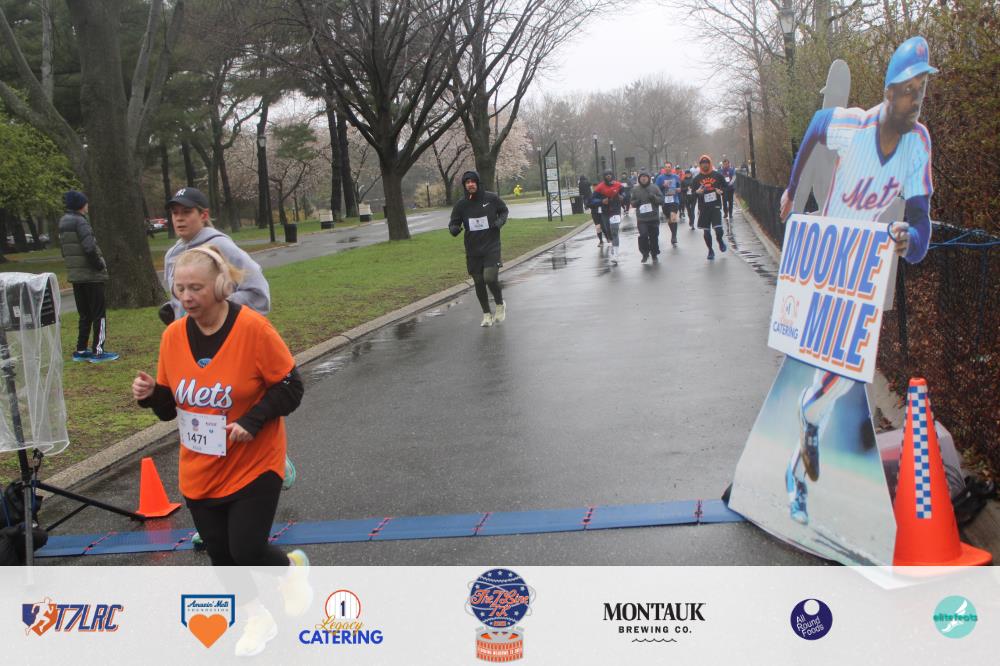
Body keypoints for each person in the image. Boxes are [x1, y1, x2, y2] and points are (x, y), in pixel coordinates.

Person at [779, 36, 937, 525]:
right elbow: (815, 125)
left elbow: (920, 220)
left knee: (841, 379)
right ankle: (800, 460)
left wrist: (913, 239)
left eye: (921, 90)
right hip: (827, 258)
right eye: (907, 90)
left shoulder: (918, 143)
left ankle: (801, 449)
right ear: (888, 92)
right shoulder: (854, 125)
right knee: (829, 370)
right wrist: (791, 190)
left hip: (861, 269)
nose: (915, 99)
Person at [132, 246, 311, 656]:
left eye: (196, 288)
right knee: (221, 554)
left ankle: (290, 571)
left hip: (254, 461)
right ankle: (256, 618)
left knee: (246, 549)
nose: (187, 297)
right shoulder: (173, 336)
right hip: (200, 467)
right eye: (180, 289)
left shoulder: (253, 329)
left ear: (220, 287)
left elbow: (290, 386)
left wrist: (252, 420)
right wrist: (150, 394)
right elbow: (169, 407)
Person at [161, 187, 295, 491]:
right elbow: (181, 299)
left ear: (203, 215)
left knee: (230, 406)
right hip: (189, 346)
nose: (179, 219)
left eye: (187, 212)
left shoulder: (221, 246)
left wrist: (219, 309)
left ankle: (272, 462)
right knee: (204, 414)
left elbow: (259, 295)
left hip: (228, 342)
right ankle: (215, 488)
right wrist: (174, 310)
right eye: (175, 213)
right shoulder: (172, 255)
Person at [58, 190, 118, 363]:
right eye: (85, 203)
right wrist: (99, 265)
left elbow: (64, 251)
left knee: (84, 314)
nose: (87, 206)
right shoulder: (81, 222)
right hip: (91, 275)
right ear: (80, 205)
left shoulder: (63, 222)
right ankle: (98, 351)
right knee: (99, 313)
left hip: (76, 276)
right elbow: (89, 248)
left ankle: (81, 349)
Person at [449, 171, 509, 327]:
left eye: (472, 181)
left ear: (477, 183)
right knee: (478, 282)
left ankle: (500, 304)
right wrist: (454, 229)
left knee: (490, 278)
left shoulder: (491, 198)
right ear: (464, 185)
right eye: (467, 182)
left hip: (491, 245)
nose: (470, 184)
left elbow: (504, 210)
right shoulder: (461, 204)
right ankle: (486, 314)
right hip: (473, 249)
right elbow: (453, 222)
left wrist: (500, 222)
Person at [690, 155, 727, 260]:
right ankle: (710, 250)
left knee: (718, 230)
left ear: (710, 163)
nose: (705, 165)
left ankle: (720, 241)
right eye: (703, 163)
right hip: (703, 208)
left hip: (715, 206)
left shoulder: (717, 175)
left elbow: (725, 187)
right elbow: (692, 194)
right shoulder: (696, 179)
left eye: (707, 163)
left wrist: (721, 191)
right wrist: (697, 192)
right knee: (706, 232)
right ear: (700, 165)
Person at [629, 170, 664, 263]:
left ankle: (654, 253)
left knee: (654, 236)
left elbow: (661, 200)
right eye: (642, 177)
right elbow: (632, 202)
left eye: (645, 177)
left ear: (648, 178)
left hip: (653, 217)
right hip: (642, 219)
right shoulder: (635, 189)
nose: (643, 179)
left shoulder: (654, 187)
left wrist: (654, 197)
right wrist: (636, 202)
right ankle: (645, 253)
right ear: (639, 179)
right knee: (643, 235)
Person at [593, 170, 625, 264]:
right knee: (608, 231)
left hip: (615, 211)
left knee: (614, 231)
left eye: (610, 174)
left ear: (612, 175)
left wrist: (622, 196)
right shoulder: (600, 187)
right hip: (605, 212)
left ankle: (615, 255)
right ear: (604, 177)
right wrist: (601, 201)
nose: (608, 176)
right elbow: (593, 199)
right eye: (606, 175)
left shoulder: (618, 185)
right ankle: (612, 245)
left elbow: (625, 193)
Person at [655, 163, 682, 246]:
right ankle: (673, 234)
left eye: (669, 167)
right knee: (669, 219)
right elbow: (656, 189)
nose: (667, 168)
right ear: (664, 168)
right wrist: (663, 186)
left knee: (673, 217)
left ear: (671, 168)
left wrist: (679, 189)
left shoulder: (676, 177)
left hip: (674, 200)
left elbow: (679, 187)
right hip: (665, 201)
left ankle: (674, 236)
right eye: (666, 167)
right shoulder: (660, 178)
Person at [580, 175, 604, 245]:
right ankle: (601, 240)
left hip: (602, 212)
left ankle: (609, 237)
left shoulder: (602, 194)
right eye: (594, 186)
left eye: (596, 186)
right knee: (598, 227)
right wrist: (591, 205)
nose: (595, 188)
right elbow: (588, 204)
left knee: (604, 226)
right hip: (594, 213)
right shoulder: (591, 196)